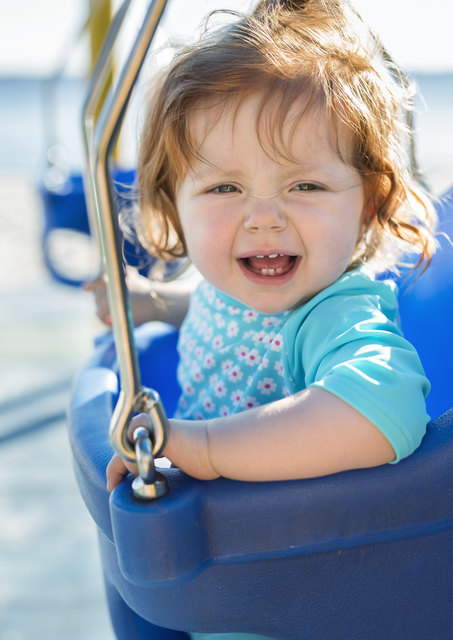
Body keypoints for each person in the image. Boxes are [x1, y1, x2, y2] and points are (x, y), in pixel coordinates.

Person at [88, 1, 438, 637]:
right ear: (175, 202)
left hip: (303, 601)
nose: (264, 217)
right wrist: (155, 304)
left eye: (304, 186)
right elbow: (232, 330)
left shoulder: (336, 312)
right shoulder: (239, 291)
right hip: (230, 589)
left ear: (368, 205)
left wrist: (201, 449)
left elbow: (378, 414)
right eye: (224, 189)